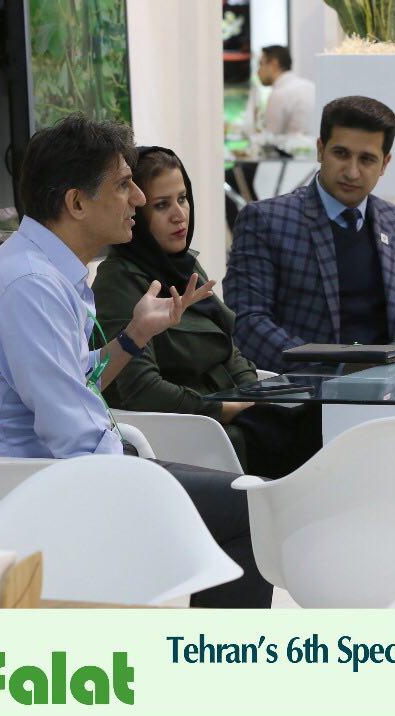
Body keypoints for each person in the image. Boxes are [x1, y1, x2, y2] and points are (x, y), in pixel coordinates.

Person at [0, 116, 273, 608]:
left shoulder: (37, 271)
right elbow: (76, 436)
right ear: (76, 203)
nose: (138, 198)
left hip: (57, 477)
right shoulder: (31, 288)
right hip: (52, 493)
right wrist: (144, 482)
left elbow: (73, 383)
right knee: (255, 507)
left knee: (244, 493)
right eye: (123, 185)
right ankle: (215, 658)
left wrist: (135, 336)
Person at [91, 146, 320, 479]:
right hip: (192, 436)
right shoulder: (118, 282)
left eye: (183, 199)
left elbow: (228, 348)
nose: (179, 215)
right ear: (135, 211)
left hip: (229, 418)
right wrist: (225, 409)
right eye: (161, 205)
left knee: (320, 422)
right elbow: (142, 389)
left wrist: (252, 395)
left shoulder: (182, 266)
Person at [224, 95, 395, 372]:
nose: (352, 172)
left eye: (367, 159)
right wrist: (336, 371)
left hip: (389, 389)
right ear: (321, 150)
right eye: (341, 154)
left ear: (384, 164)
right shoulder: (267, 220)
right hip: (303, 392)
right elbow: (247, 323)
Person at [241, 45, 316, 137]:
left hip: (294, 146)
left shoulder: (279, 94)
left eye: (261, 64)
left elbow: (270, 138)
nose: (258, 72)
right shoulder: (310, 86)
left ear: (274, 64)